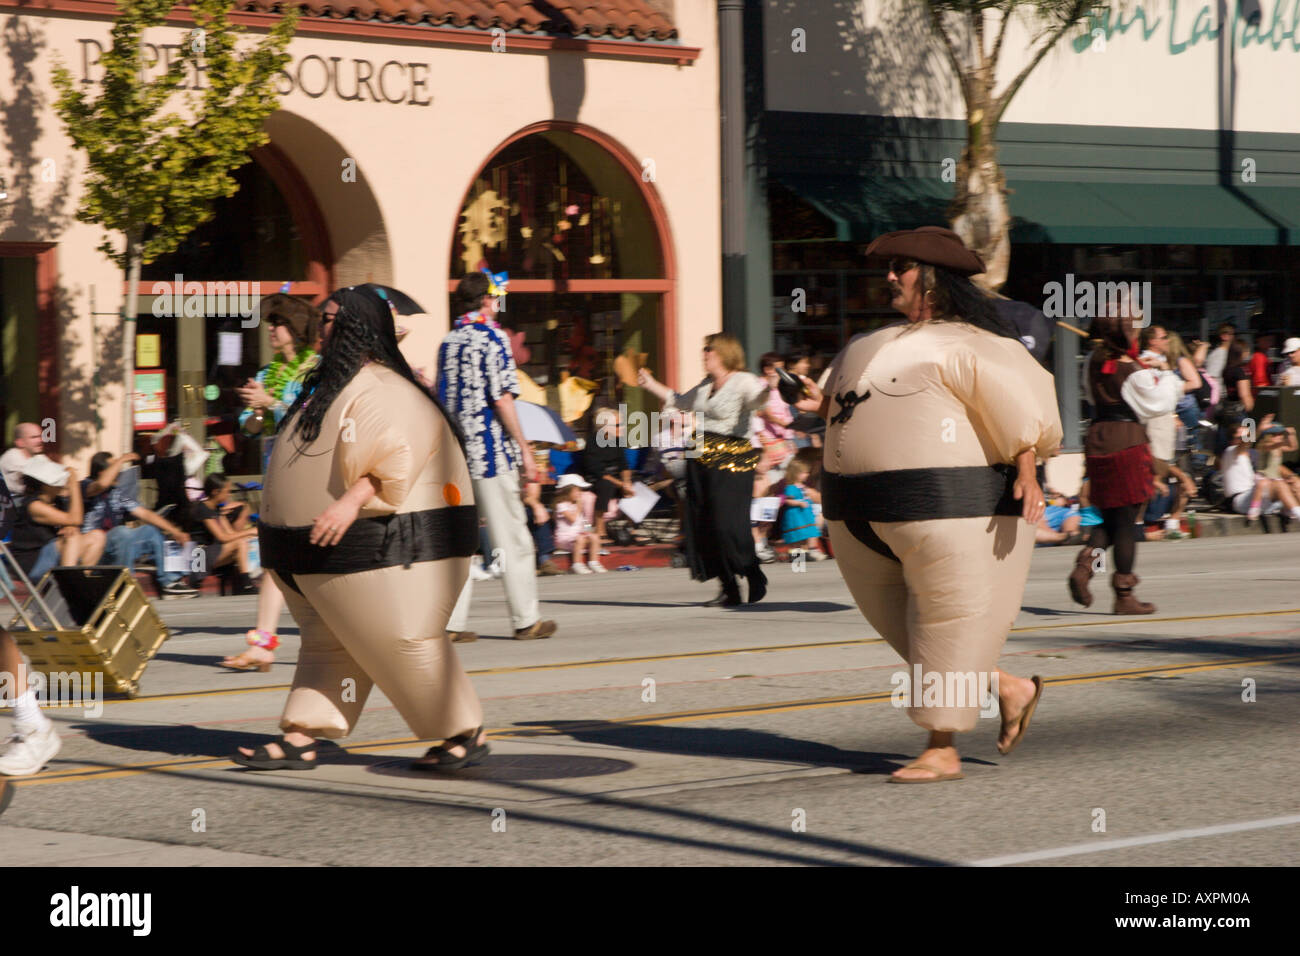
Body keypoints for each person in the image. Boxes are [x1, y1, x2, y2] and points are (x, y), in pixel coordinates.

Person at [791, 226, 1061, 784]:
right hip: (860, 516)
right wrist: (819, 403)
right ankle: (1010, 689)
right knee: (919, 634)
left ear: (934, 281)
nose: (890, 277)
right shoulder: (869, 346)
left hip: (954, 511)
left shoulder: (977, 345)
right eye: (889, 267)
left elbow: (1023, 416)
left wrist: (1030, 472)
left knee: (946, 624)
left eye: (903, 268)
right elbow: (852, 415)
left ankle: (942, 748)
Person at [234, 285, 488, 772]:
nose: (322, 328)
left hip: (393, 550)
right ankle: (302, 737)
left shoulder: (383, 389)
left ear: (356, 327)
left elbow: (398, 455)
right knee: (330, 642)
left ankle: (463, 731)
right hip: (326, 556)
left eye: (330, 320)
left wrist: (349, 503)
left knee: (401, 641)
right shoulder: (327, 386)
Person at [438, 272, 556, 641]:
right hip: (489, 453)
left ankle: (451, 623)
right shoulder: (493, 339)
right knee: (511, 536)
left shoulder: (447, 342)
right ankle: (525, 619)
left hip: (453, 454)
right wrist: (524, 447)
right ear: (488, 300)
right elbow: (503, 397)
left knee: (458, 541)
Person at [223, 296, 323, 671]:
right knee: (275, 560)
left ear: (294, 331)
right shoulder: (268, 372)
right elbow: (249, 429)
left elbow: (315, 419)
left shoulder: (317, 369)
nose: (269, 329)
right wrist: (257, 410)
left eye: (276, 324)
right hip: (277, 473)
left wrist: (275, 403)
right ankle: (263, 645)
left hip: (310, 474)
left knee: (316, 563)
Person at [639, 334, 772, 607]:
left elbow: (757, 401)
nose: (704, 354)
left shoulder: (743, 381)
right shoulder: (705, 386)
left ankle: (751, 571)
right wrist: (650, 384)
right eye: (704, 349)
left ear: (724, 352)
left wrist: (769, 389)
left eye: (708, 349)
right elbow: (678, 400)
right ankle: (728, 587)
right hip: (699, 455)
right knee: (704, 524)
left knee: (727, 523)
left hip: (732, 459)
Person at [1067, 300, 1178, 615]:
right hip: (1127, 443)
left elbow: (1091, 396)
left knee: (1113, 520)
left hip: (1098, 438)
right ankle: (1124, 594)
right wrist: (1165, 373)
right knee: (1127, 523)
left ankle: (1086, 568)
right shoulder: (1132, 371)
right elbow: (1157, 405)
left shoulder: (1091, 359)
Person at [78, 451, 197, 597]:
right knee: (122, 531)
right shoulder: (85, 486)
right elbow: (102, 484)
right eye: (116, 467)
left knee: (150, 530)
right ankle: (125, 584)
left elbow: (145, 513)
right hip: (94, 550)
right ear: (103, 471)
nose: (120, 471)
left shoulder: (118, 492)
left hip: (117, 548)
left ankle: (170, 582)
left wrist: (175, 531)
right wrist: (122, 458)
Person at [8, 457, 96, 582]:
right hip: (32, 564)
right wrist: (74, 485)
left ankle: (80, 582)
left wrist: (68, 526)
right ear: (45, 485)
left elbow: (72, 521)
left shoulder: (56, 501)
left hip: (53, 556)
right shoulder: (34, 506)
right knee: (73, 536)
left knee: (97, 536)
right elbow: (75, 519)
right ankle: (69, 584)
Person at [191, 473, 259, 596]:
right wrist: (249, 531)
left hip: (212, 553)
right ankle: (246, 584)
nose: (228, 494)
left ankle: (245, 584)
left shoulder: (216, 510)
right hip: (199, 556)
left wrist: (249, 535)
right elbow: (222, 537)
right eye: (226, 491)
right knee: (240, 543)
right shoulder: (203, 509)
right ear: (216, 492)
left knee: (244, 543)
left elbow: (231, 533)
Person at [584, 407, 633, 544]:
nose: (622, 427)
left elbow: (624, 465)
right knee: (606, 485)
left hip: (616, 479)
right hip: (597, 480)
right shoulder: (593, 443)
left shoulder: (617, 441)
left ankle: (630, 529)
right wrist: (621, 484)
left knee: (637, 485)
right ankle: (600, 530)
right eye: (618, 425)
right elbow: (598, 472)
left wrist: (627, 482)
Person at [552, 474, 606, 573]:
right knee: (580, 538)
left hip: (577, 537)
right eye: (577, 490)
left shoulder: (575, 505)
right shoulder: (561, 506)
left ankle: (593, 562)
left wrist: (589, 531)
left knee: (594, 537)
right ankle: (577, 564)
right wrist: (579, 507)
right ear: (567, 491)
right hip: (564, 539)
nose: (580, 493)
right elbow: (572, 519)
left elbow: (583, 521)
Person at [779, 458, 827, 559]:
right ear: (795, 473)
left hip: (806, 516)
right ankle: (797, 556)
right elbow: (787, 500)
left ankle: (810, 551)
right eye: (803, 473)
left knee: (810, 532)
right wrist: (798, 502)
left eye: (807, 472)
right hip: (796, 516)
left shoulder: (803, 487)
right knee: (798, 536)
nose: (807, 475)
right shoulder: (791, 487)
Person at [0, 422, 45, 496]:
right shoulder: (12, 456)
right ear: (20, 442)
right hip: (11, 503)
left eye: (40, 436)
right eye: (34, 437)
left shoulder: (37, 457)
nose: (40, 440)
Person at [1204, 322, 1236, 389]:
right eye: (1233, 334)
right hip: (1219, 396)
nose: (1234, 337)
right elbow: (1211, 377)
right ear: (1224, 336)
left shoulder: (1227, 352)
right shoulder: (1219, 354)